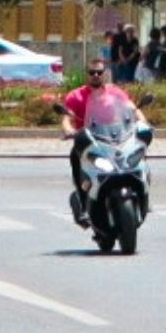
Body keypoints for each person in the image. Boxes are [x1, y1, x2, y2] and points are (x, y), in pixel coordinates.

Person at [61, 57, 137, 218]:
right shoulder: (76, 96)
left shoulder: (115, 92)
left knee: (137, 153)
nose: (96, 75)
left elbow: (132, 109)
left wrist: (143, 122)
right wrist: (69, 130)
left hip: (114, 139)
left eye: (99, 72)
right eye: (92, 72)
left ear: (104, 74)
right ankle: (83, 204)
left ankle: (141, 189)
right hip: (89, 141)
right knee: (76, 156)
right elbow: (67, 118)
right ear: (86, 75)